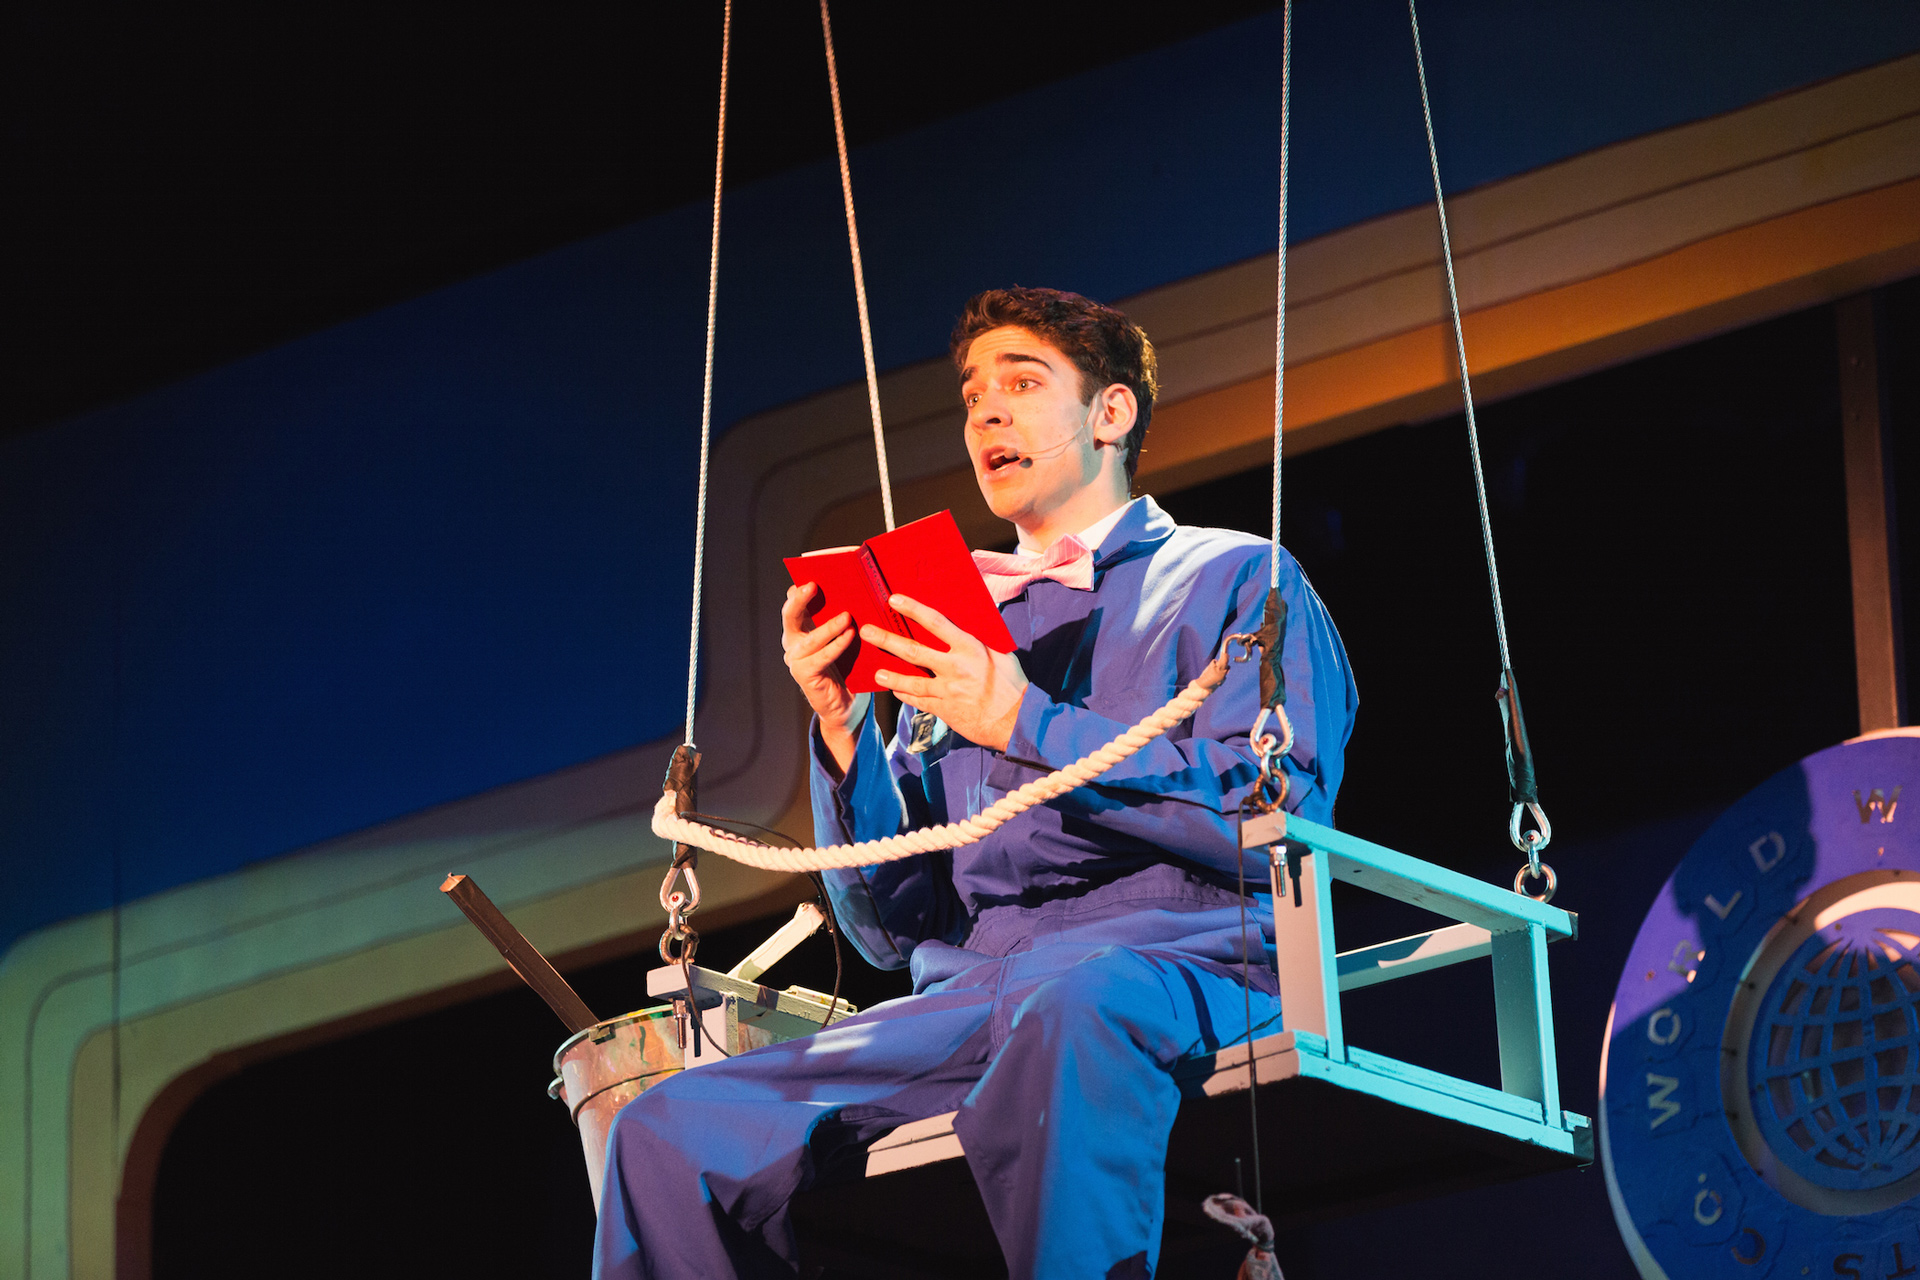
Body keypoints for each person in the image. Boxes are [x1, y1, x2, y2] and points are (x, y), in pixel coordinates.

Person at [594, 287, 1357, 1279]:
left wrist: (1023, 720)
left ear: (1110, 413)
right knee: (665, 1128)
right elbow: (892, 926)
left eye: (1022, 383)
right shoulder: (953, 625)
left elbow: (1278, 817)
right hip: (980, 984)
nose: (985, 412)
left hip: (1180, 949)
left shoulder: (1235, 577)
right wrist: (843, 730)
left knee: (1070, 999)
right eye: (972, 395)